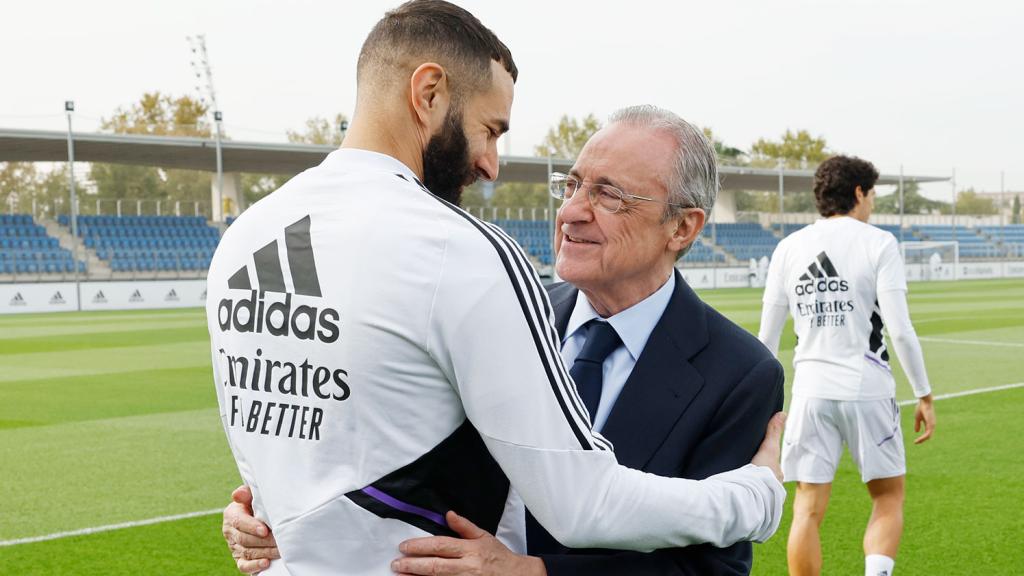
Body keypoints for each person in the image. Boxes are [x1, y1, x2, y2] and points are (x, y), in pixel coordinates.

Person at [209, 2, 785, 575]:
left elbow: (325, 444)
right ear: (429, 93)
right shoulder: (457, 252)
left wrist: (276, 516)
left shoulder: (245, 235)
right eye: (490, 130)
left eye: (610, 194)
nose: (490, 165)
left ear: (682, 227)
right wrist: (755, 498)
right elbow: (583, 503)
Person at [757, 155, 936, 576]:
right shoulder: (878, 243)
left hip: (810, 392)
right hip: (867, 387)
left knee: (807, 508)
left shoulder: (788, 248)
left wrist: (762, 407)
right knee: (887, 498)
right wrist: (925, 394)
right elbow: (901, 330)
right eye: (871, 194)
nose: (872, 203)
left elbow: (766, 340)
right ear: (858, 192)